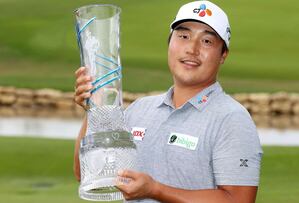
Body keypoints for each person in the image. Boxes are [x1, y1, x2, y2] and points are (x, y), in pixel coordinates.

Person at [73, 1, 263, 202]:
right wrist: (95, 109)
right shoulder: (139, 110)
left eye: (207, 41)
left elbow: (239, 200)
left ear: (223, 54)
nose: (192, 48)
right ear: (170, 43)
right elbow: (86, 175)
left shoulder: (232, 119)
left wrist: (155, 190)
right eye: (183, 36)